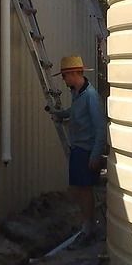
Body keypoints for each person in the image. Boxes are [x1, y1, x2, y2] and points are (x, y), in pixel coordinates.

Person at [50, 55, 106, 245]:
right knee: (79, 190)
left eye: (65, 76)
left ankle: (89, 228)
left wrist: (96, 155)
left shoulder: (90, 96)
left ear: (74, 74)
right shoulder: (77, 93)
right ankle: (86, 224)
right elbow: (74, 112)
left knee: (85, 190)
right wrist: (60, 114)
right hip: (77, 148)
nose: (64, 81)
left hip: (86, 150)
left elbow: (100, 128)